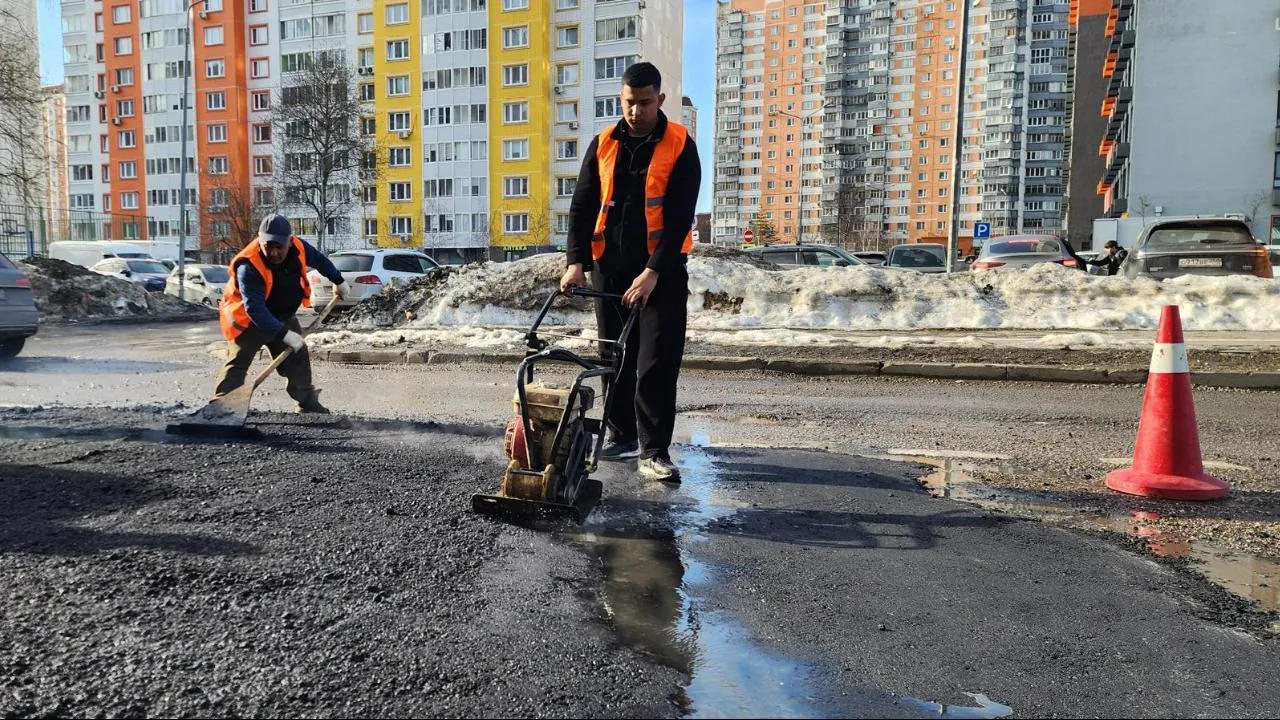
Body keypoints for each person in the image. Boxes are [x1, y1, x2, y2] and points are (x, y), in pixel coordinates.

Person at [560, 61, 701, 483]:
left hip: (663, 273)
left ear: (659, 100)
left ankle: (654, 450)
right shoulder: (603, 142)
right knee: (613, 356)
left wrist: (653, 272)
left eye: (643, 102)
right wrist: (576, 263)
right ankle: (620, 434)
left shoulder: (680, 144)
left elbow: (679, 217)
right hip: (611, 269)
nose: (635, 111)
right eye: (628, 103)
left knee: (656, 361)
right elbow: (583, 207)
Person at [214, 214, 348, 414]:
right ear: (260, 241)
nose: (274, 253)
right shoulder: (249, 265)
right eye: (269, 247)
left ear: (289, 241)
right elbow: (255, 309)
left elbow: (320, 260)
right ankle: (222, 408)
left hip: (282, 314)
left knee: (298, 357)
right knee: (238, 362)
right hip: (249, 320)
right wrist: (284, 334)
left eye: (280, 247)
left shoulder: (299, 248)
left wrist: (338, 281)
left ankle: (307, 403)